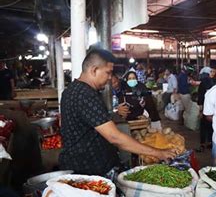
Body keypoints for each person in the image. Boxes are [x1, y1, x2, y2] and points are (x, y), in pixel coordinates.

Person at [59, 48, 177, 176]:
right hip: (88, 171)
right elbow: (114, 137)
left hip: (80, 164)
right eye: (108, 73)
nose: (110, 78)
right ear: (94, 70)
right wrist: (158, 153)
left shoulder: (70, 90)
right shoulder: (86, 95)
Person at [196, 66, 216, 152]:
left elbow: (200, 97)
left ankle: (202, 144)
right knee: (211, 126)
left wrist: (200, 109)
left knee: (203, 126)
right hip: (215, 108)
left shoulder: (203, 83)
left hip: (206, 108)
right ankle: (210, 143)